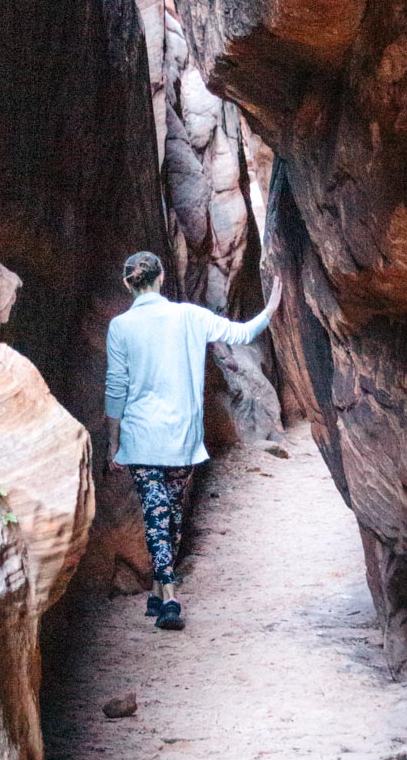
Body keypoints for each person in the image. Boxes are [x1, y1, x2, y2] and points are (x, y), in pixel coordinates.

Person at [105, 251, 283, 631]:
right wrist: (269, 309)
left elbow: (116, 387)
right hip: (181, 438)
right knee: (167, 514)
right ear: (162, 277)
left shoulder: (120, 327)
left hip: (140, 437)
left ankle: (157, 590)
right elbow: (240, 334)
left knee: (157, 514)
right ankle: (169, 599)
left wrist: (112, 442)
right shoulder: (190, 316)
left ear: (127, 284)